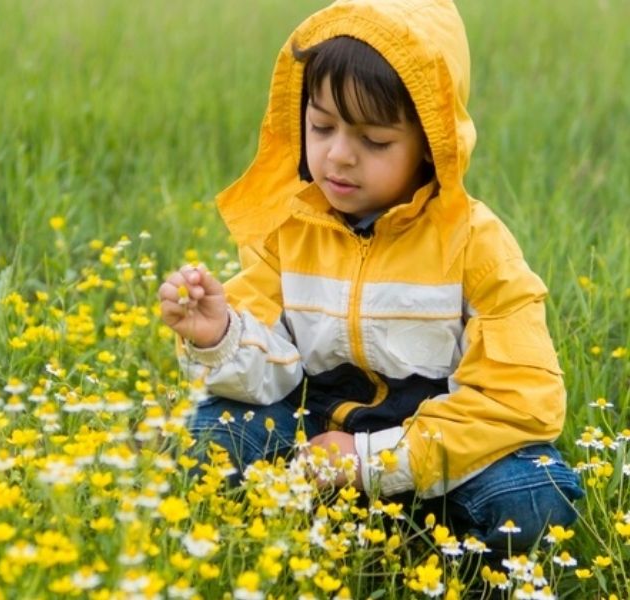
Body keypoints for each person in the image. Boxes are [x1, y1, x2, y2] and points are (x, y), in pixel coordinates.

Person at [158, 0, 582, 555]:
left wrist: (371, 462)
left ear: (432, 147)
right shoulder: (291, 228)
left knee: (536, 498)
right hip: (315, 441)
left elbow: (517, 399)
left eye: (374, 141)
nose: (338, 156)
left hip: (437, 452)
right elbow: (272, 376)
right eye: (321, 126)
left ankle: (414, 531)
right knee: (208, 437)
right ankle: (325, 521)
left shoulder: (477, 244)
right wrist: (220, 335)